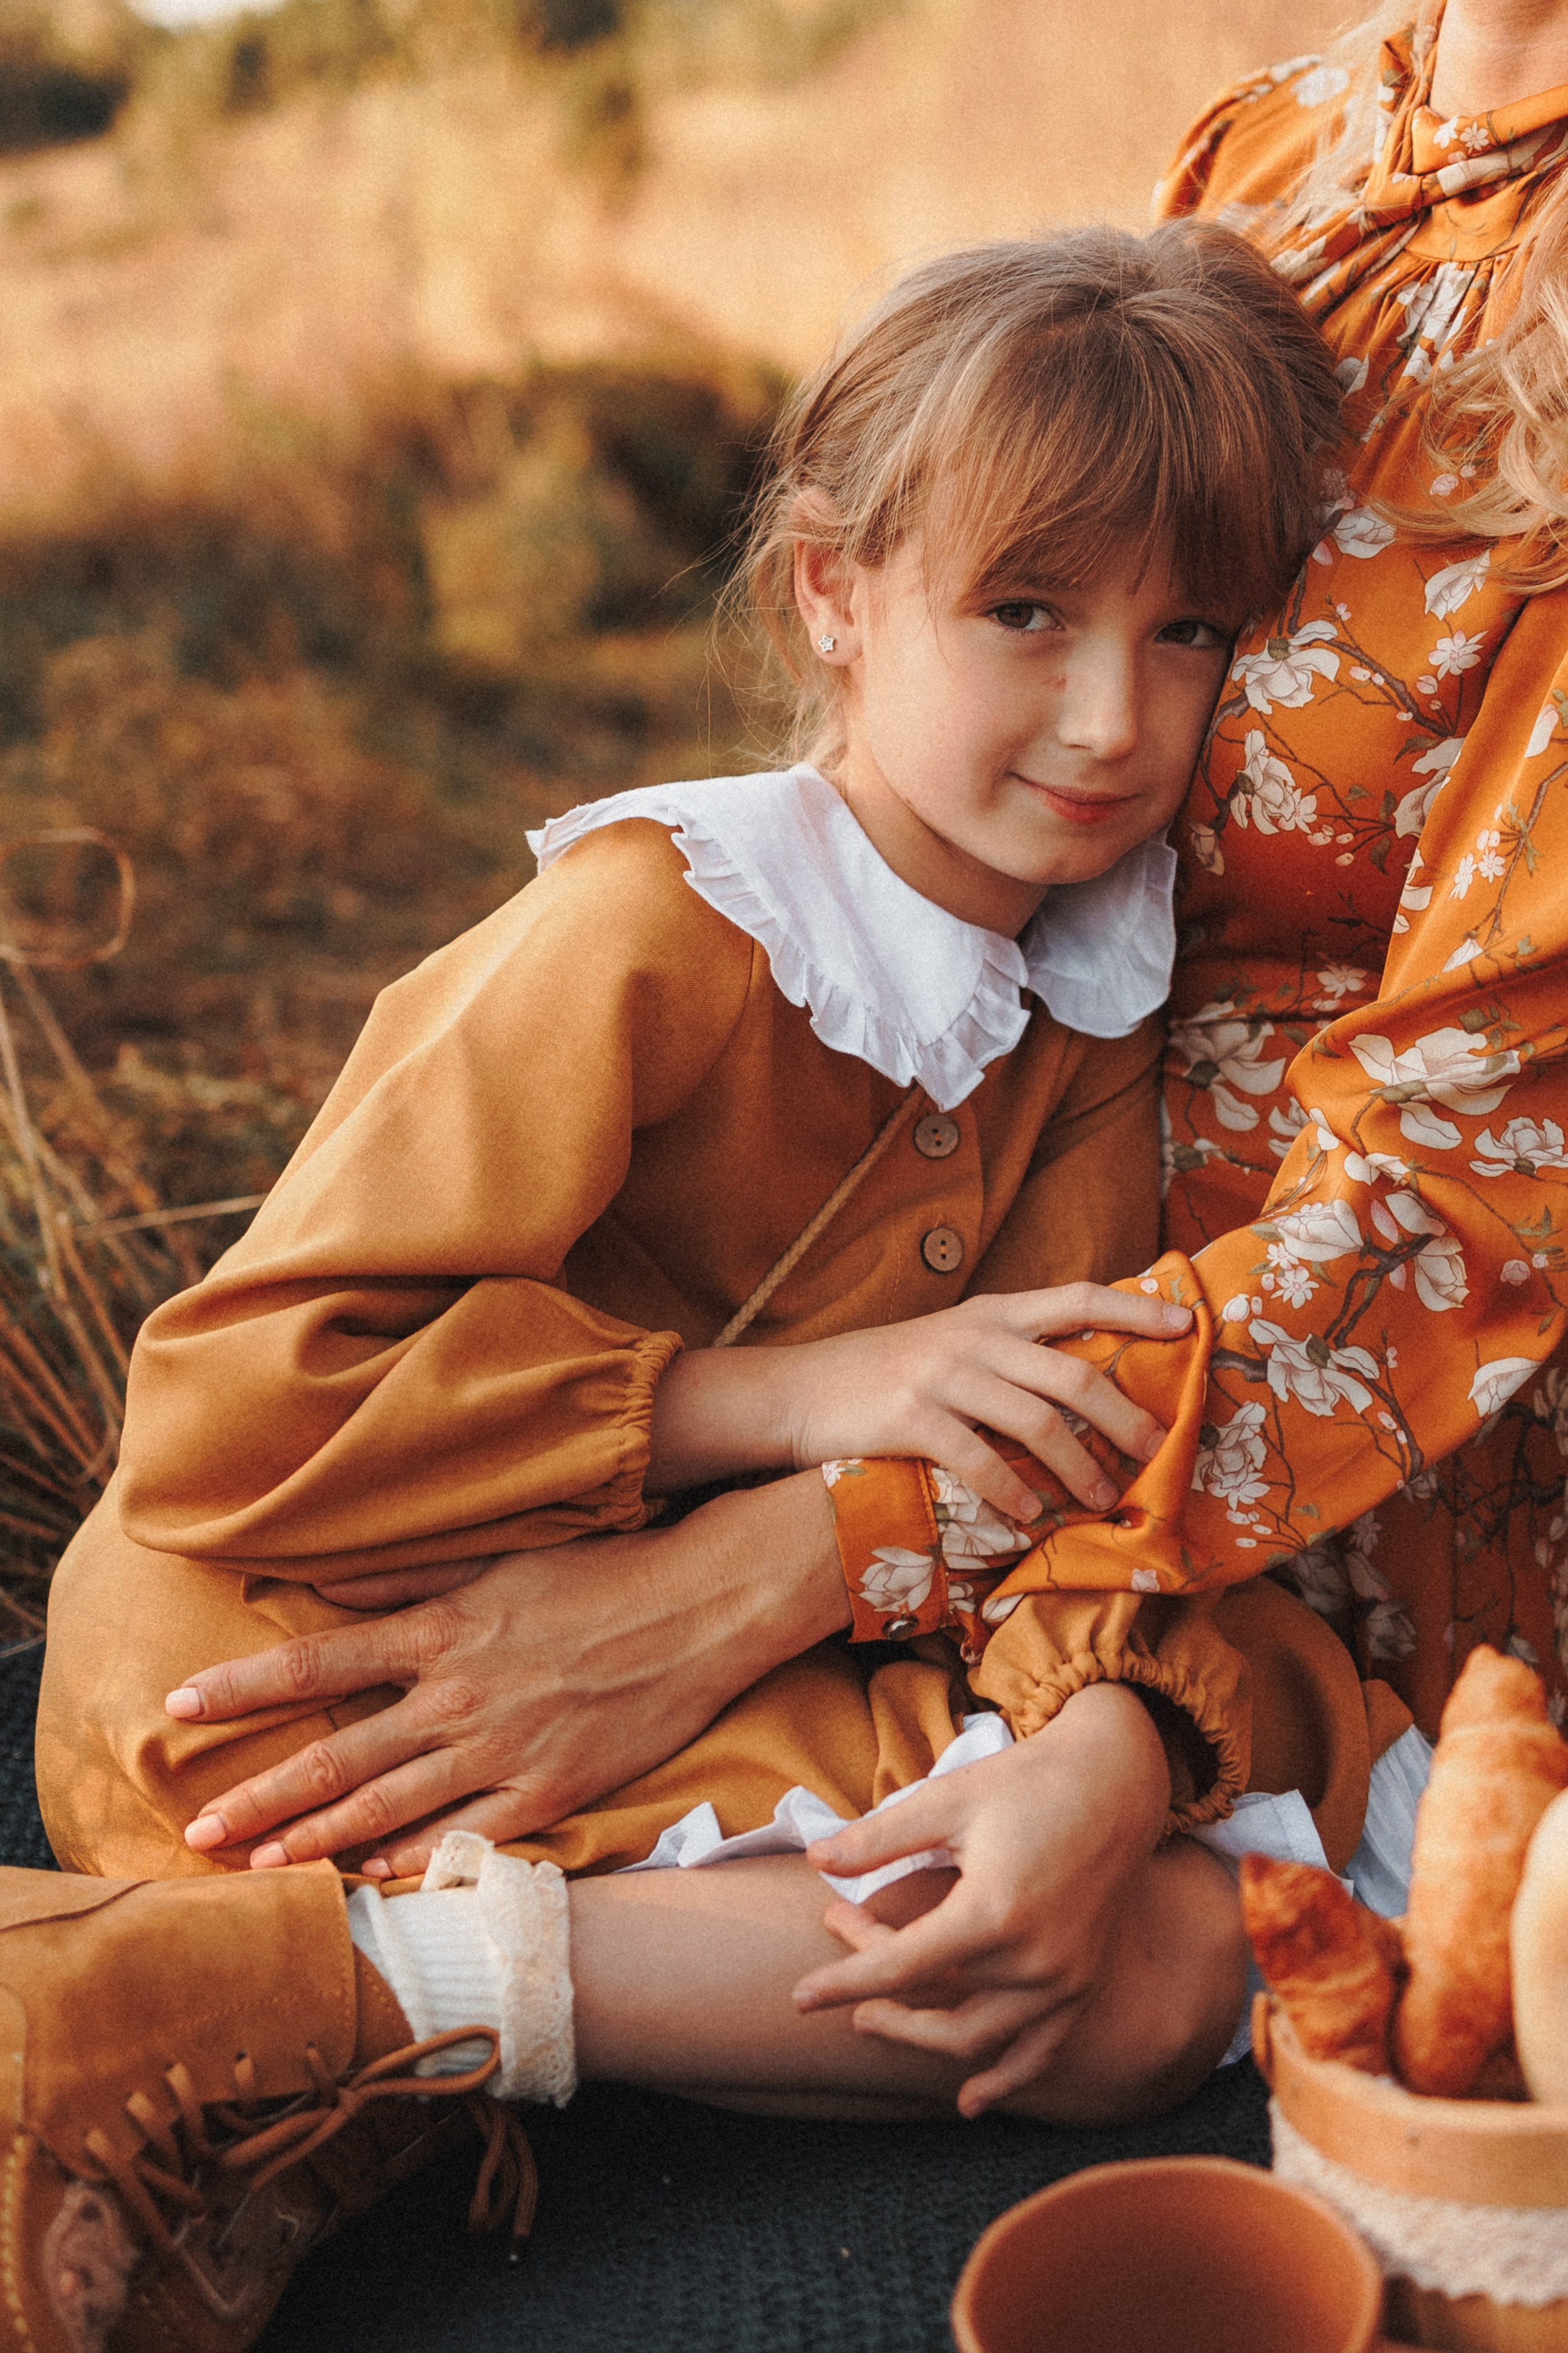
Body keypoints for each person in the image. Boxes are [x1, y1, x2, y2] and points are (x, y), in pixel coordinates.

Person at [10, 223, 1351, 2350]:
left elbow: (1091, 1463)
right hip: (309, 1631)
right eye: (1025, 612)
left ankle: (302, 2027)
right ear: (831, 590)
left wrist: (1091, 1722)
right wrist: (777, 1400)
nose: (1115, 718)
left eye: (1187, 631)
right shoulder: (651, 923)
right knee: (220, 1739)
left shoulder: (1099, 1011)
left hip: (725, 1667)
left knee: (1174, 1952)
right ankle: (255, 1992)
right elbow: (230, 1408)